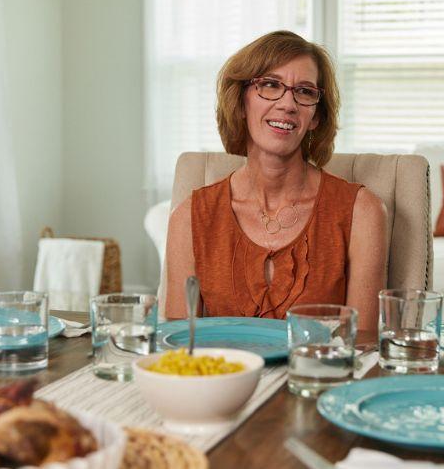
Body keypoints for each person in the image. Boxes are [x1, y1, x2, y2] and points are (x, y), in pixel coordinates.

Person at [164, 30, 387, 329]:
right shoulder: (189, 218)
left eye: (305, 91)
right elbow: (178, 345)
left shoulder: (362, 211)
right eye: (270, 85)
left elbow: (363, 345)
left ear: (316, 117)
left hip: (319, 375)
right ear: (241, 102)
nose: (288, 104)